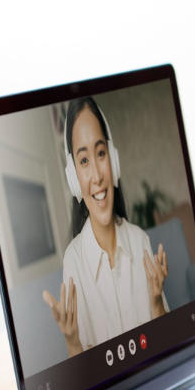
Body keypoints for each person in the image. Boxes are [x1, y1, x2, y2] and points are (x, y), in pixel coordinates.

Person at [44, 96, 169, 356]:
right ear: (73, 178)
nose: (97, 176)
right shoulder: (74, 260)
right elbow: (88, 372)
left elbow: (166, 349)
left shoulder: (140, 241)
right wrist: (72, 342)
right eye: (84, 161)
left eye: (100, 154)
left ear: (113, 160)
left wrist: (157, 303)